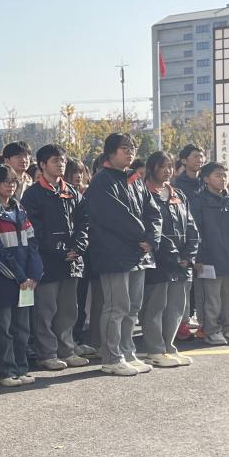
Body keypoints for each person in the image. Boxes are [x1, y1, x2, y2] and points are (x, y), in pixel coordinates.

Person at [85, 133, 159, 376]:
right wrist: (143, 236)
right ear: (110, 152)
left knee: (133, 307)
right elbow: (115, 216)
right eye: (124, 148)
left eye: (132, 147)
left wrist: (152, 237)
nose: (130, 152)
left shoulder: (134, 179)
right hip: (113, 254)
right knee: (116, 307)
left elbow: (152, 211)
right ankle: (111, 357)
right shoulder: (102, 181)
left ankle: (127, 352)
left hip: (138, 253)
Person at [21, 144, 89, 371]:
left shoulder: (72, 191)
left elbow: (84, 223)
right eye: (55, 161)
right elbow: (34, 230)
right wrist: (59, 250)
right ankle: (47, 353)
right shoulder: (33, 194)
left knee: (69, 310)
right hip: (47, 262)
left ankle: (66, 350)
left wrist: (79, 246)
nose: (60, 164)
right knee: (45, 311)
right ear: (42, 165)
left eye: (62, 160)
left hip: (72, 261)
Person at [0, 165, 43, 387]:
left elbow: (32, 242)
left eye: (14, 181)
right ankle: (3, 371)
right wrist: (19, 276)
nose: (11, 185)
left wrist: (34, 274)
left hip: (25, 278)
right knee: (2, 327)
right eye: (6, 181)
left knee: (22, 328)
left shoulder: (19, 207)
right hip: (4, 278)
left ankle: (20, 368)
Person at [139, 151, 198, 368]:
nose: (167, 171)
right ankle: (155, 350)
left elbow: (191, 227)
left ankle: (169, 347)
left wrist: (189, 255)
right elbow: (151, 230)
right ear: (151, 168)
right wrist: (173, 255)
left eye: (170, 166)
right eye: (162, 166)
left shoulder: (178, 194)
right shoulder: (143, 194)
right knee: (155, 307)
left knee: (175, 308)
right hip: (158, 261)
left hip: (181, 263)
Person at [192, 162, 229, 346]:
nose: (222, 179)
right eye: (217, 175)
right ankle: (211, 330)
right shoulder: (198, 202)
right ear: (206, 179)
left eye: (224, 175)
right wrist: (197, 257)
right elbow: (194, 231)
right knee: (211, 298)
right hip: (209, 257)